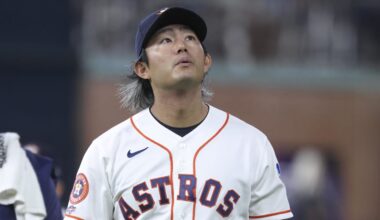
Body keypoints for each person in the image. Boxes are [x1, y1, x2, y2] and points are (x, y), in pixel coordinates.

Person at [64, 7, 293, 220]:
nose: (181, 46)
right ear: (143, 69)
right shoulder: (107, 150)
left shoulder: (251, 144)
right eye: (165, 40)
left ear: (206, 61)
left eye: (190, 38)